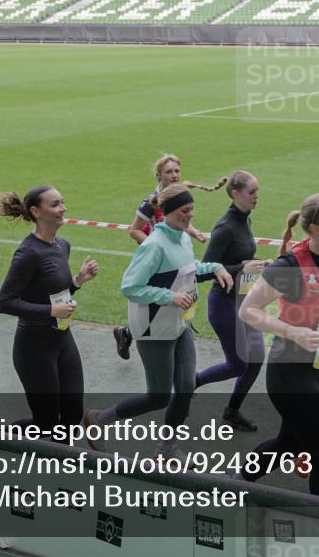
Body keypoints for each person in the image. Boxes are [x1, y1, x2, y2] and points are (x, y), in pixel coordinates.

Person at [83, 184, 233, 459]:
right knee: (159, 396)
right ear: (169, 212)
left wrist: (215, 268)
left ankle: (166, 449)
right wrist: (169, 296)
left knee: (186, 387)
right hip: (154, 331)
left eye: (192, 209)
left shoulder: (182, 238)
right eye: (185, 210)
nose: (191, 214)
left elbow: (189, 270)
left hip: (179, 325)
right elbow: (130, 287)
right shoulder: (154, 246)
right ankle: (99, 419)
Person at [237, 190, 319, 499]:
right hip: (289, 370)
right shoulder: (290, 265)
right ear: (316, 229)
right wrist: (292, 332)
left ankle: (235, 483)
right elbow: (248, 310)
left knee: (289, 444)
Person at [0, 186, 99, 435]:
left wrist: (77, 281)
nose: (63, 208)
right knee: (47, 423)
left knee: (72, 416)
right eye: (55, 204)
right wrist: (50, 311)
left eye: (62, 202)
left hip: (62, 340)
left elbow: (53, 294)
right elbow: (4, 302)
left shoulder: (63, 245)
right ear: (36, 211)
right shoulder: (28, 253)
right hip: (34, 346)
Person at [113, 154, 221, 360]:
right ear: (159, 176)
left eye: (177, 171)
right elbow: (134, 230)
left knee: (175, 300)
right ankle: (128, 333)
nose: (174, 175)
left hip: (174, 253)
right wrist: (155, 247)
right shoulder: (150, 203)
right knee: (157, 306)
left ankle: (131, 333)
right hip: (157, 261)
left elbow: (180, 219)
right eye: (169, 172)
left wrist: (193, 232)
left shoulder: (178, 195)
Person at [195, 170, 268, 432]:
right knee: (238, 364)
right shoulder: (225, 228)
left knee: (256, 358)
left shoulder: (245, 219)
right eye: (252, 192)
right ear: (235, 194)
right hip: (224, 305)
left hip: (245, 301)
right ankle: (190, 383)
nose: (256, 197)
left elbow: (241, 258)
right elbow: (203, 272)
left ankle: (232, 411)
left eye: (257, 191)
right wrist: (242, 268)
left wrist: (259, 264)